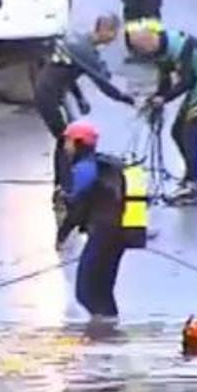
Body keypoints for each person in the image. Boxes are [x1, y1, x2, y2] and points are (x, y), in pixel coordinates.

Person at [33, 14, 135, 198]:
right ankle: (65, 188)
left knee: (66, 138)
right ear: (103, 29)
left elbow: (67, 72)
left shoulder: (77, 40)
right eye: (113, 33)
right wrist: (128, 99)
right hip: (48, 95)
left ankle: (63, 184)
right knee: (68, 140)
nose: (113, 39)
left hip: (50, 90)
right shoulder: (85, 50)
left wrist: (80, 98)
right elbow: (103, 83)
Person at [55, 120, 149, 318]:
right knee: (103, 290)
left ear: (78, 143)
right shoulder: (106, 165)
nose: (65, 147)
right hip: (120, 234)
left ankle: (102, 335)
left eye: (68, 142)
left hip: (103, 233)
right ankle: (109, 332)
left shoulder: (84, 169)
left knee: (86, 292)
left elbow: (78, 206)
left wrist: (62, 235)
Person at [127, 20, 197, 205]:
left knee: (189, 130)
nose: (142, 53)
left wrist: (164, 99)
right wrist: (157, 97)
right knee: (177, 132)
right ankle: (191, 175)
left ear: (149, 39)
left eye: (141, 48)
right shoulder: (157, 51)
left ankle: (194, 182)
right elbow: (166, 80)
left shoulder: (179, 45)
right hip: (196, 83)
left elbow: (186, 80)